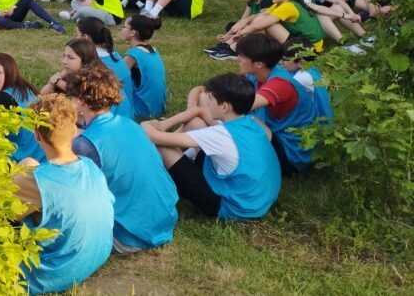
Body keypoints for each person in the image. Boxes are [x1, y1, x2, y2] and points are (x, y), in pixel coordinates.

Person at [60, 64, 177, 253]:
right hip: (164, 220)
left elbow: (73, 195)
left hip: (131, 236)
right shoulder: (131, 125)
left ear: (81, 101)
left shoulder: (86, 144)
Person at [141, 73, 281, 220]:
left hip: (233, 207)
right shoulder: (252, 122)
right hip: (257, 199)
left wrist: (147, 124)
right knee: (197, 124)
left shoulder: (221, 135)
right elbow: (200, 112)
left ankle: (149, 180)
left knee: (163, 146)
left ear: (225, 106)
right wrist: (163, 124)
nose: (207, 103)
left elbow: (154, 137)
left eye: (210, 99)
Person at [13, 93, 114, 294]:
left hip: (52, 273)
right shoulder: (90, 166)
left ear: (37, 135)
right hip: (96, 254)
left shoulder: (40, 180)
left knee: (26, 166)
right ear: (74, 129)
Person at [233, 34, 323, 175]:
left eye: (242, 56)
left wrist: (200, 112)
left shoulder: (280, 83)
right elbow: (214, 90)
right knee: (211, 109)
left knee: (231, 118)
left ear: (258, 64)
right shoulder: (256, 74)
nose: (237, 59)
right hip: (275, 136)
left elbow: (239, 108)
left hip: (290, 153)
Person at [233, 0, 326, 53]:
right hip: (302, 42)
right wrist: (245, 21)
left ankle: (240, 48)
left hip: (310, 49)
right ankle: (237, 47)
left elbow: (259, 25)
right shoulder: (281, 3)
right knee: (262, 19)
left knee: (268, 24)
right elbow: (261, 15)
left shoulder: (288, 6)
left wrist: (239, 34)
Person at [0, 53, 46, 163]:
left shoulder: (5, 98)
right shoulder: (26, 88)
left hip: (22, 159)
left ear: (9, 73)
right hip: (42, 154)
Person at [75, 17, 134, 119]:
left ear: (85, 37)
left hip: (111, 115)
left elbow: (76, 88)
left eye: (76, 34)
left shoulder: (92, 61)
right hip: (128, 113)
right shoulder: (114, 54)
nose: (75, 38)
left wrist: (56, 81)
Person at [206, 0, 273, 61]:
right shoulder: (252, 0)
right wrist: (227, 35)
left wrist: (237, 30)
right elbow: (243, 19)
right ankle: (227, 44)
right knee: (231, 26)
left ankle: (232, 48)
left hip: (261, 33)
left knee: (246, 27)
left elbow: (263, 21)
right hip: (251, 29)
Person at [121, 14, 167, 119]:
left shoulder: (133, 55)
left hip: (143, 110)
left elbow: (115, 78)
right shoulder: (153, 50)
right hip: (158, 107)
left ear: (132, 32)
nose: (122, 29)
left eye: (124, 27)